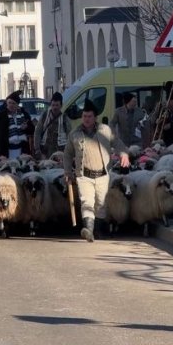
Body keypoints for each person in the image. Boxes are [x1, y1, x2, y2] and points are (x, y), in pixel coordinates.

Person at [64, 99, 130, 242]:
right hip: (84, 174)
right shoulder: (74, 134)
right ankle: (88, 230)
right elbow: (68, 154)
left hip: (102, 174)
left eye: (89, 116)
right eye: (84, 116)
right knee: (86, 202)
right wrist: (68, 172)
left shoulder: (105, 130)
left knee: (100, 204)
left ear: (95, 118)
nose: (86, 119)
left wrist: (123, 154)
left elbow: (118, 143)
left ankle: (98, 230)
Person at [0, 91, 34, 159]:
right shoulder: (1, 115)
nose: (11, 105)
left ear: (17, 104)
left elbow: (32, 130)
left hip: (22, 149)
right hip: (5, 150)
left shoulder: (24, 114)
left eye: (13, 103)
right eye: (9, 103)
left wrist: (27, 127)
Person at [35, 92, 70, 159]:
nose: (55, 107)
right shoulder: (44, 116)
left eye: (57, 105)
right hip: (45, 150)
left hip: (60, 150)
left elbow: (69, 135)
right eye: (53, 105)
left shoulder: (65, 118)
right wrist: (37, 149)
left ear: (61, 105)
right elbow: (37, 132)